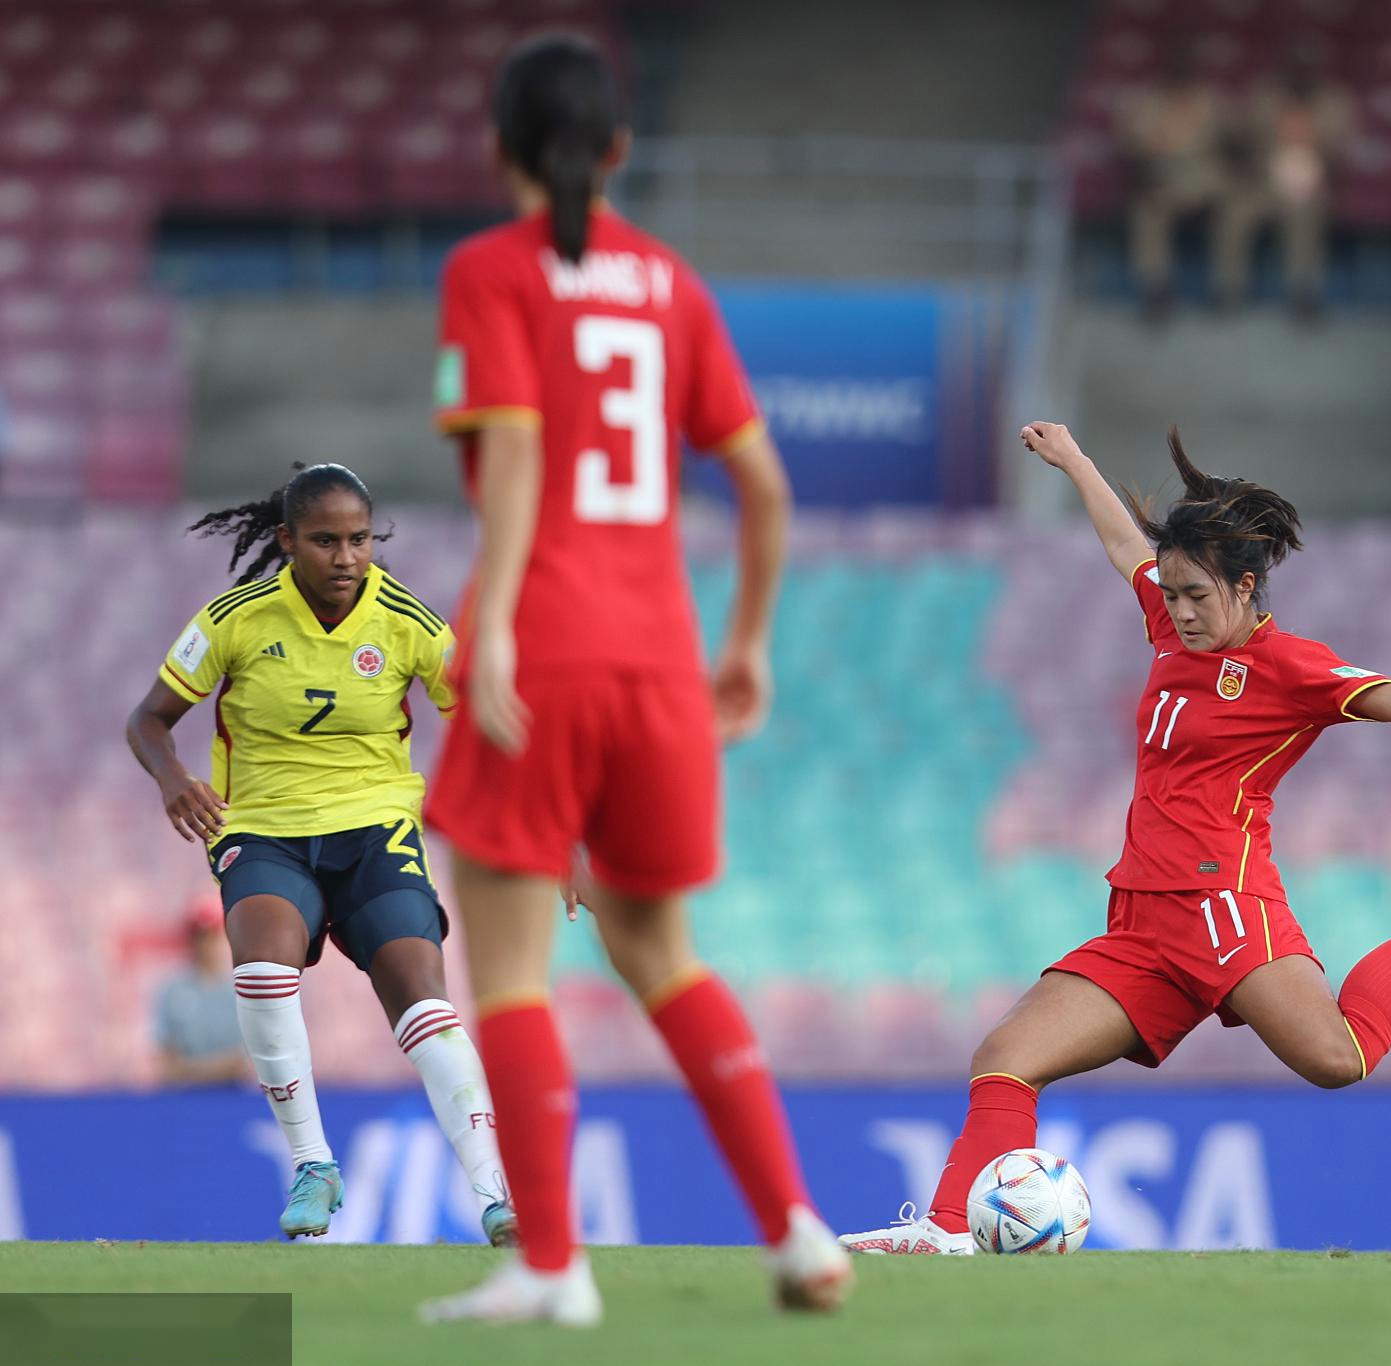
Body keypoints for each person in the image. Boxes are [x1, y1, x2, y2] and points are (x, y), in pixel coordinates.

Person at [841, 422, 1391, 1255]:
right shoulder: (1168, 622)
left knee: (1338, 1060)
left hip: (1225, 907)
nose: (1180, 609)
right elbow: (1128, 549)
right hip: (1144, 923)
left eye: (1198, 595)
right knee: (1005, 1057)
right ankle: (947, 1230)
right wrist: (1080, 460)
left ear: (1247, 586)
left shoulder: (1287, 667)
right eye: (1174, 592)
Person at [417, 36, 849, 1326]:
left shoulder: (489, 271)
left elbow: (513, 454)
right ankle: (797, 1230)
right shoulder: (671, 283)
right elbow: (764, 488)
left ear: (500, 147)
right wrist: (749, 642)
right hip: (662, 661)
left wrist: (488, 622)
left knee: (508, 970)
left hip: (541, 650)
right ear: (615, 152)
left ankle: (552, 1267)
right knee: (661, 951)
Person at [124, 462, 515, 1246]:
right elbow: (150, 718)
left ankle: (498, 1195)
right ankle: (313, 1163)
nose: (346, 557)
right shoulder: (236, 618)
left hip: (375, 829)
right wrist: (173, 779)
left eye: (360, 540)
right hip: (264, 828)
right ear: (287, 542)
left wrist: (551, 828)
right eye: (326, 540)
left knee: (423, 998)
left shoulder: (408, 622)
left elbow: (486, 718)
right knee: (261, 970)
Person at [1215, 43, 1351, 319]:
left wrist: (1309, 137)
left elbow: (1338, 149)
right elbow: (1244, 137)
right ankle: (1229, 291)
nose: (1300, 75)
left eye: (1306, 68)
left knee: (1305, 216)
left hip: (1308, 182)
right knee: (1233, 214)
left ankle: (1302, 294)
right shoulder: (1267, 95)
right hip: (1262, 181)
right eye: (1295, 68)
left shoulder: (1334, 100)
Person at [1123, 40, 1229, 320]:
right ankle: (1156, 290)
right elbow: (1138, 146)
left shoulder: (1209, 100)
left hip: (1205, 183)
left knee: (1233, 209)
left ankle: (1225, 291)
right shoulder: (1150, 101)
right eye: (1176, 67)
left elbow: (1229, 145)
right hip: (1164, 180)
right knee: (1146, 211)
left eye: (1186, 67)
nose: (1181, 72)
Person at [153, 899, 247, 1087]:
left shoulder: (238, 992)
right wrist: (219, 1068)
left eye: (211, 937)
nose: (205, 945)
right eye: (200, 937)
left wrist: (189, 1069)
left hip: (231, 1097)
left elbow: (243, 1064)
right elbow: (165, 1064)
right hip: (184, 1098)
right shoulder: (171, 992)